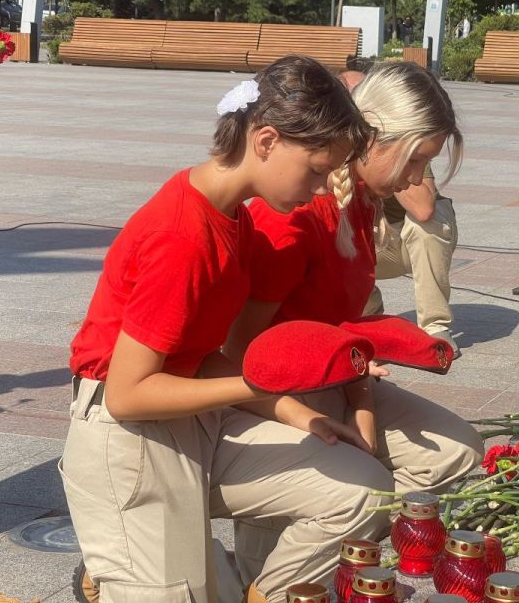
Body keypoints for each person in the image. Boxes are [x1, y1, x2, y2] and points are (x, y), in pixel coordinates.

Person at [60, 55, 395, 603]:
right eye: (314, 169)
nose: (318, 189)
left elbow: (193, 355)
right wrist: (260, 386)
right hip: (127, 438)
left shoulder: (231, 213)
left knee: (363, 490)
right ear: (265, 141)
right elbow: (126, 395)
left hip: (189, 418)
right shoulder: (184, 236)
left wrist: (296, 411)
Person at [224, 61, 483, 594]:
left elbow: (350, 326)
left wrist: (362, 403)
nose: (417, 181)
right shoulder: (294, 212)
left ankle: (342, 550)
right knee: (364, 490)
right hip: (268, 395)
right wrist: (308, 418)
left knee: (457, 451)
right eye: (416, 161)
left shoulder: (361, 203)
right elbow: (240, 353)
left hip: (335, 379)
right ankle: (273, 585)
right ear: (374, 140)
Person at [336, 71, 461, 357]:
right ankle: (365, 314)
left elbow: (423, 208)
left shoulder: (407, 146)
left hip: (394, 242)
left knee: (429, 220)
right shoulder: (316, 197)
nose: (417, 177)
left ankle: (434, 326)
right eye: (414, 161)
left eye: (424, 162)